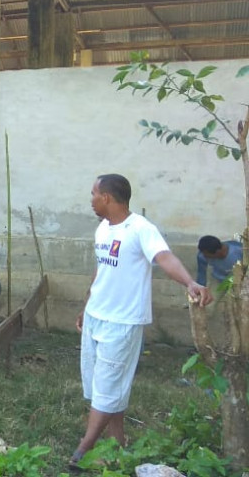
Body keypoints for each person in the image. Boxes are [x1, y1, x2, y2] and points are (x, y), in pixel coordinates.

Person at [69, 173, 212, 467]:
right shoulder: (102, 230)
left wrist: (190, 283)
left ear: (106, 197)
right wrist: (87, 305)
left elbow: (164, 257)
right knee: (104, 385)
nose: (91, 201)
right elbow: (101, 272)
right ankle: (118, 444)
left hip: (122, 322)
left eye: (93, 194)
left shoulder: (140, 229)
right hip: (97, 316)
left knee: (108, 385)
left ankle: (83, 451)